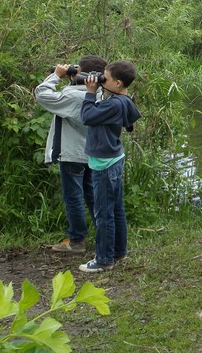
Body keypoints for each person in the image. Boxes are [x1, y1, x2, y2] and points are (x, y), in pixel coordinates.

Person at [34, 55, 107, 254]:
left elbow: (42, 94)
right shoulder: (98, 95)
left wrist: (56, 76)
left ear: (84, 75)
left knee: (73, 197)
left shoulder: (73, 96)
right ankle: (104, 237)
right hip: (90, 154)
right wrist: (74, 81)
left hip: (72, 154)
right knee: (92, 196)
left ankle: (76, 241)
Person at [78, 60, 141, 273]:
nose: (101, 79)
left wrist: (89, 92)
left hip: (104, 164)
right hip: (114, 158)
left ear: (118, 83)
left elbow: (86, 116)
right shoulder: (123, 101)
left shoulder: (113, 104)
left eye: (106, 77)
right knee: (116, 208)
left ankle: (104, 259)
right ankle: (119, 251)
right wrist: (99, 89)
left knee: (103, 213)